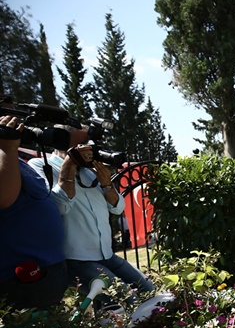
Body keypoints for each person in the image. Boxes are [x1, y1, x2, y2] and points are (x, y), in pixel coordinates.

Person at [28, 132, 155, 308]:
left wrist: (106, 183)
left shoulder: (89, 173)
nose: (89, 148)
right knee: (127, 301)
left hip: (107, 255)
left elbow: (118, 208)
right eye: (82, 144)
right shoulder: (40, 164)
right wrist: (69, 165)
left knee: (150, 293)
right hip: (76, 260)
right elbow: (60, 207)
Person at [0, 114, 69, 309]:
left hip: (46, 272)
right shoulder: (6, 149)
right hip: (20, 279)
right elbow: (4, 198)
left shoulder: (12, 156)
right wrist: (7, 146)